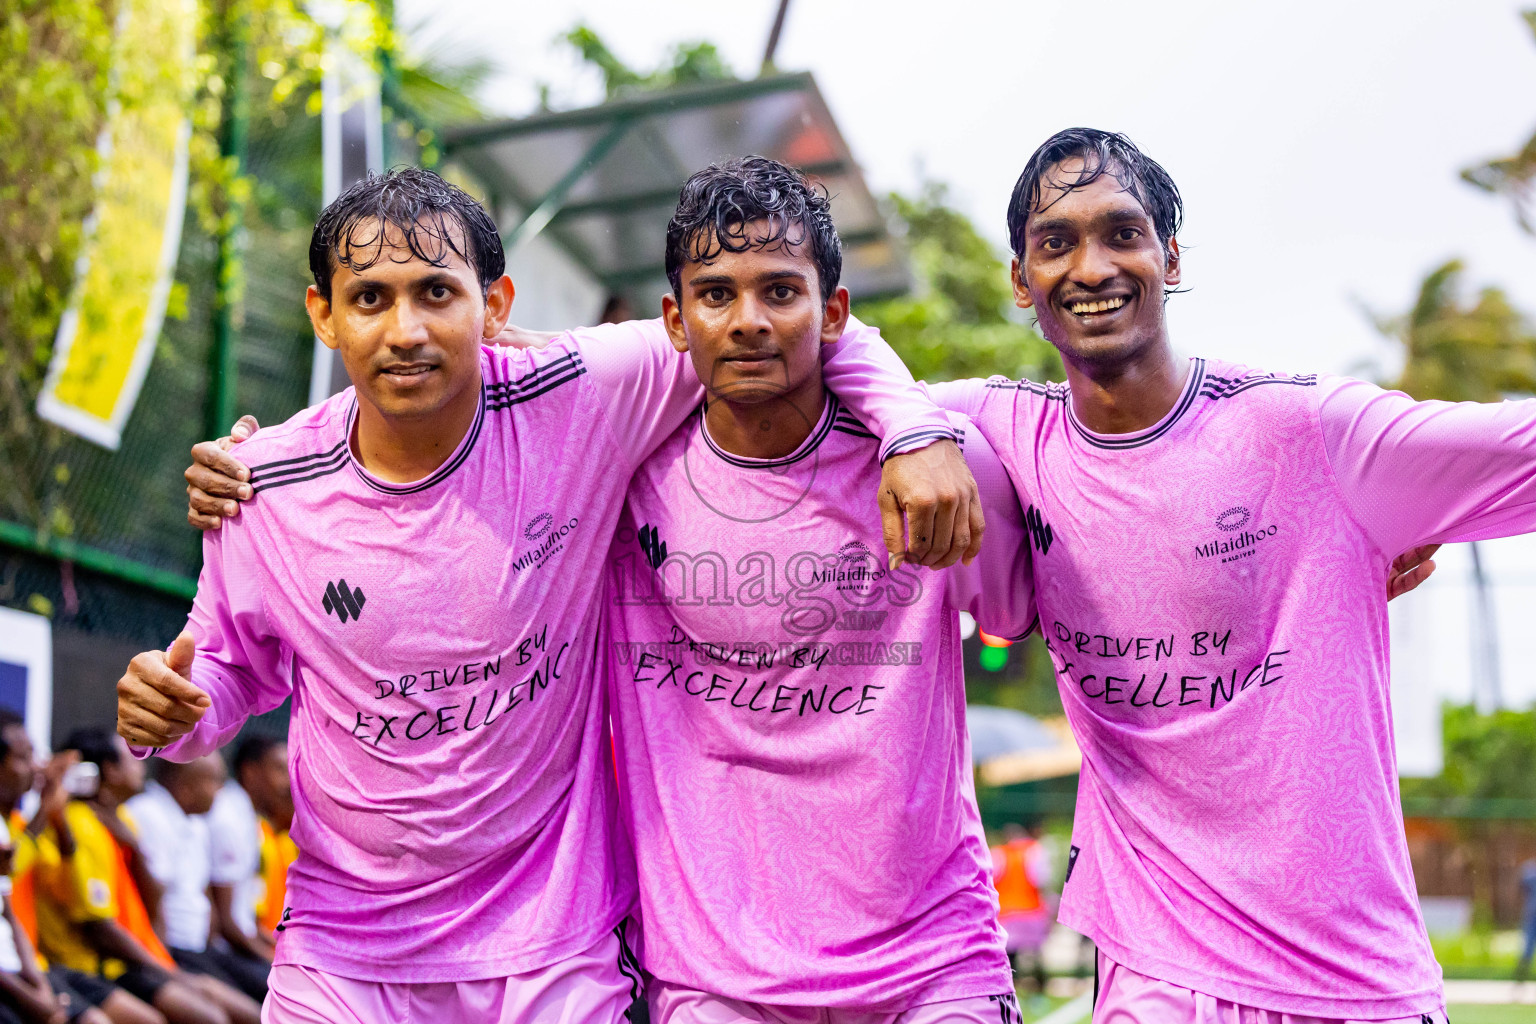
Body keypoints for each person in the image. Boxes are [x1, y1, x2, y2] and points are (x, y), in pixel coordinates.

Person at [114, 166, 979, 1024]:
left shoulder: (583, 394)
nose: (404, 330)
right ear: (324, 315)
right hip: (344, 954)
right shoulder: (260, 484)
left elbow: (781, 324)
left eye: (436, 293)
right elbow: (224, 674)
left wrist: (913, 429)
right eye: (370, 298)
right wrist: (174, 706)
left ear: (493, 308)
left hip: (551, 950)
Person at [917, 126, 1536, 1022]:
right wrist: (909, 438)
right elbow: (823, 373)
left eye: (1122, 234)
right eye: (1057, 243)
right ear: (1021, 280)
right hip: (1156, 973)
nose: (1092, 267)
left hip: (1355, 983)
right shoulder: (1001, 431)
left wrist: (1354, 547)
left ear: (1169, 257)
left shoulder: (1311, 433)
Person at [604, 157, 1033, 1021]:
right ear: (674, 322)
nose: (749, 322)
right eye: (716, 294)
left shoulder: (941, 469)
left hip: (933, 965)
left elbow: (1037, 609)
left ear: (834, 311)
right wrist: (256, 463)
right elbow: (480, 390)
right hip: (715, 980)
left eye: (781, 292)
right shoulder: (615, 470)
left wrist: (917, 427)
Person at [34, 731, 247, 1024]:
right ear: (110, 769)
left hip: (139, 955)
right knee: (208, 1016)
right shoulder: (80, 824)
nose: (142, 764)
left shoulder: (122, 822)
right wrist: (165, 970)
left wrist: (135, 848)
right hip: (98, 965)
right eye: (131, 757)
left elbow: (151, 904)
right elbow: (100, 927)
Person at [0, 711, 150, 1024]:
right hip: (27, 966)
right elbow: (7, 873)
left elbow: (74, 894)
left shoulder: (22, 827)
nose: (36, 767)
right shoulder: (27, 831)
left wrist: (59, 820)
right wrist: (45, 809)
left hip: (32, 964)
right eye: (24, 758)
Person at [125, 760, 262, 1017]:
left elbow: (205, 897)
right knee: (244, 1013)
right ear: (185, 788)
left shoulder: (196, 822)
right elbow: (152, 900)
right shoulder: (148, 814)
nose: (220, 793)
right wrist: (164, 965)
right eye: (214, 782)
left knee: (263, 999)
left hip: (199, 950)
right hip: (171, 950)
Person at [203, 738, 283, 999]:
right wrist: (276, 961)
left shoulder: (250, 817)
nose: (288, 781)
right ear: (250, 771)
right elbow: (229, 925)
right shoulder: (228, 818)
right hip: (223, 951)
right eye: (279, 769)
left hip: (243, 944)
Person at [990, 822, 1053, 994]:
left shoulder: (999, 853)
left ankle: (1011, 990)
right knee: (1035, 954)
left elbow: (992, 883)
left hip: (1008, 912)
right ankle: (1039, 989)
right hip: (1032, 910)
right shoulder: (1035, 851)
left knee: (1010, 956)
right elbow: (1041, 881)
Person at [1517, 858, 1536, 983]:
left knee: (1528, 945)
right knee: (1528, 946)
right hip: (1532, 914)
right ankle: (1521, 976)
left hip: (1531, 912)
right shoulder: (1529, 869)